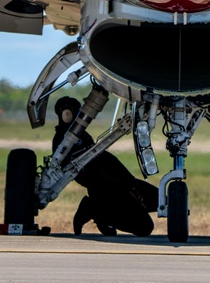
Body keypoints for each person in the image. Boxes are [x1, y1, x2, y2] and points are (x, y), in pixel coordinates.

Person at [52, 96, 159, 237]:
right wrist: (127, 186)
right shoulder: (62, 143)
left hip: (120, 183)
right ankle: (94, 211)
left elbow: (106, 160)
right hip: (106, 189)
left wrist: (129, 183)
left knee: (160, 200)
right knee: (144, 228)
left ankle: (101, 216)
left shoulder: (83, 137)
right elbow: (91, 172)